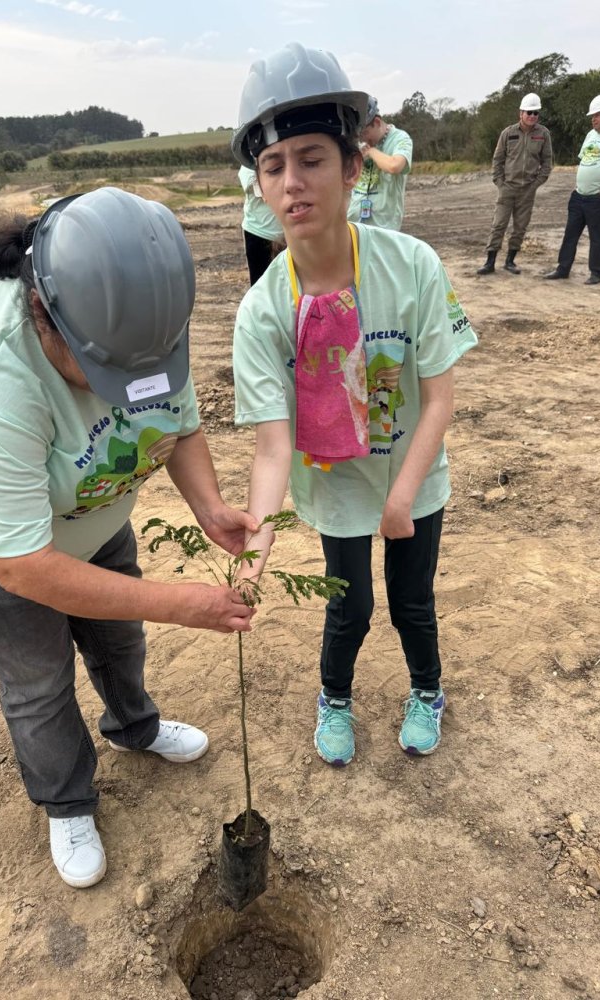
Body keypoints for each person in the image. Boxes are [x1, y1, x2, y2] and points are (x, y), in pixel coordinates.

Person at [0, 187, 258, 888]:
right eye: (106, 377)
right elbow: (22, 566)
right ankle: (66, 800)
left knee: (120, 635)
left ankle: (136, 727)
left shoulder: (141, 324)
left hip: (89, 513)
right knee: (38, 682)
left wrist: (209, 507)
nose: (122, 393)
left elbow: (179, 423)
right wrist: (181, 603)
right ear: (43, 313)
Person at [230, 43, 477, 768]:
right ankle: (334, 699)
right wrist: (255, 555)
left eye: (311, 158)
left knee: (411, 603)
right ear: (259, 186)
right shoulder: (263, 311)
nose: (292, 183)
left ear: (351, 167)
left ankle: (426, 690)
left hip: (412, 479)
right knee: (351, 607)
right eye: (273, 167)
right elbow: (274, 446)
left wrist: (401, 495)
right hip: (335, 485)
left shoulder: (413, 267)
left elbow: (438, 397)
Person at [544, 94, 600, 285]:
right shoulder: (590, 135)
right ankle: (562, 269)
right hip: (579, 196)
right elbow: (585, 160)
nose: (593, 119)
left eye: (597, 115)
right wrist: (578, 187)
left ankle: (596, 273)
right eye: (592, 116)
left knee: (597, 236)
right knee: (570, 234)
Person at [477, 93, 553, 275]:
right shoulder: (508, 133)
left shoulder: (543, 134)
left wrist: (536, 184)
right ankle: (490, 262)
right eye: (529, 112)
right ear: (521, 113)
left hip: (528, 189)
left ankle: (510, 261)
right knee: (499, 224)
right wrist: (499, 182)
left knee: (520, 227)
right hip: (507, 187)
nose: (533, 116)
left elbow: (547, 161)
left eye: (536, 113)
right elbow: (498, 160)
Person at [346, 95, 413, 231]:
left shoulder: (400, 139)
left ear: (376, 122)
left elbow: (394, 166)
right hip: (354, 226)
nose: (362, 139)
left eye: (365, 133)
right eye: (359, 136)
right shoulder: (359, 143)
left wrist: (371, 152)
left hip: (384, 229)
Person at [239, 164, 285, 285]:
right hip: (259, 232)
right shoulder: (248, 162)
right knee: (260, 283)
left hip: (287, 235)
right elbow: (254, 187)